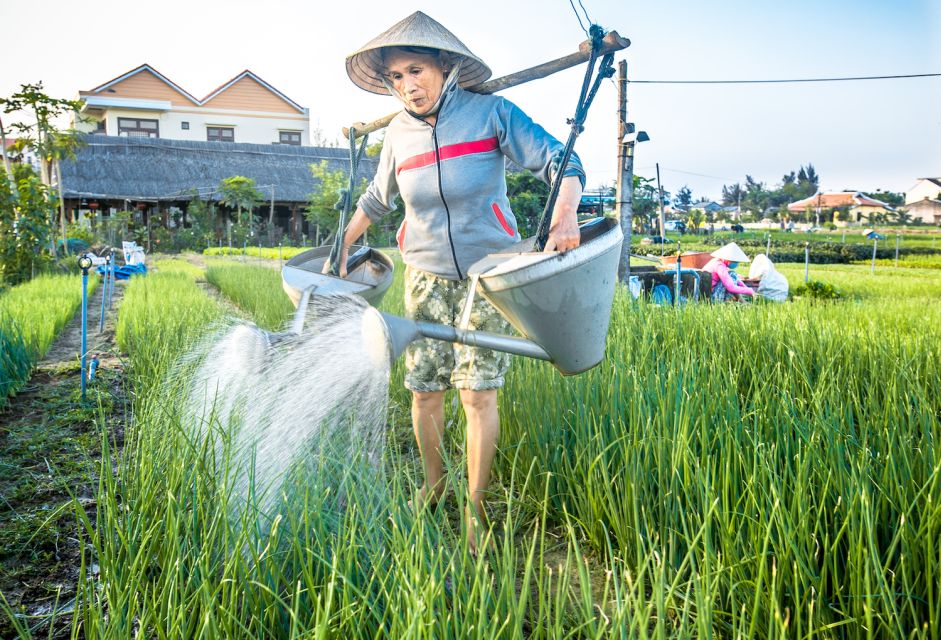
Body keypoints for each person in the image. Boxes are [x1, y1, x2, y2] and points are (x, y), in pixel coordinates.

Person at [329, 11, 585, 552]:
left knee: (477, 396)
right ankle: (434, 482)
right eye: (396, 77)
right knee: (424, 394)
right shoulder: (397, 133)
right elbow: (378, 199)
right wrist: (344, 243)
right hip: (423, 276)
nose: (407, 86)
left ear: (446, 67)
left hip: (489, 275)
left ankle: (474, 509)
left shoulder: (491, 113)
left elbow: (562, 163)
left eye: (416, 70)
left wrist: (565, 212)